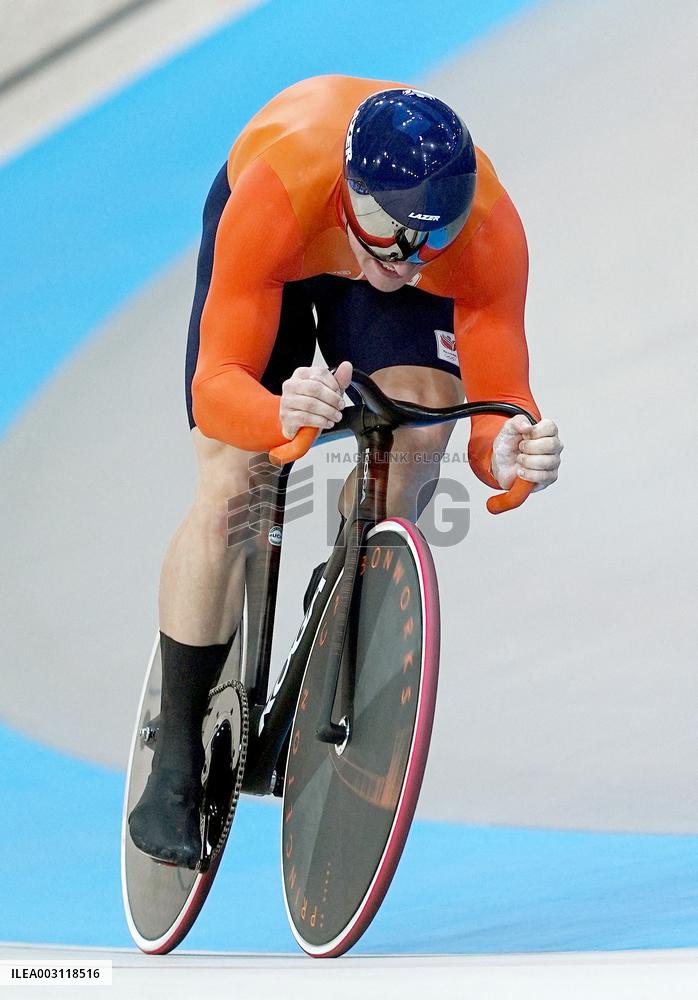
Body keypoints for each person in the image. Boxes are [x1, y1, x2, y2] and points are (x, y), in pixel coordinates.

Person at [128, 75, 563, 868]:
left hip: (347, 229)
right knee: (237, 486)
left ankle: (340, 598)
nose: (405, 259)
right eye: (389, 231)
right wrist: (277, 414)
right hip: (287, 247)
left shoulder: (478, 234)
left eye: (431, 240)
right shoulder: (276, 194)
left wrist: (501, 450)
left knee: (420, 426)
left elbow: (497, 399)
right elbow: (216, 385)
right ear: (352, 193)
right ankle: (175, 762)